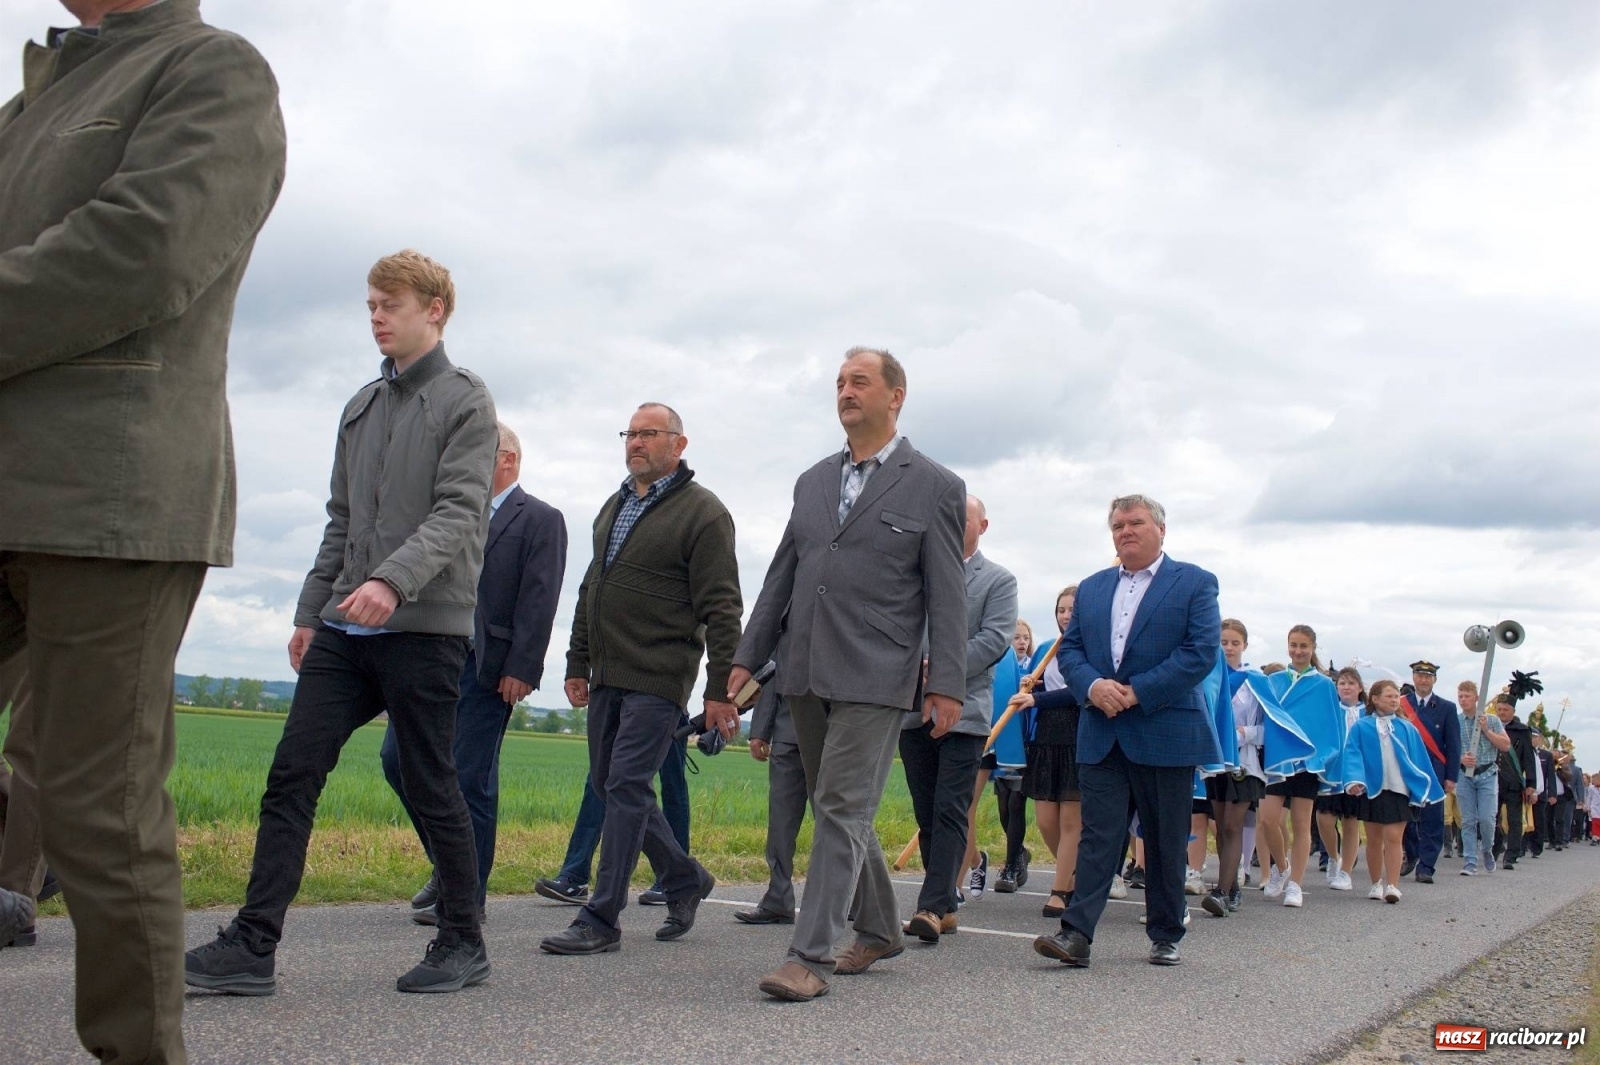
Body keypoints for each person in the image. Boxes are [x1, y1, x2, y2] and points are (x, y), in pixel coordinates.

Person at [1, 0, 285, 1055]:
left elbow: (143, 249)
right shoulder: (29, 103)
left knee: (97, 811)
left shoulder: (212, 71)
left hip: (109, 494)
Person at [185, 251, 497, 997]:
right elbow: (341, 521)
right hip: (345, 631)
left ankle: (463, 940)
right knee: (292, 772)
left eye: (391, 304)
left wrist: (393, 581)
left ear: (436, 310)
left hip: (424, 628)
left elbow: (459, 511)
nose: (378, 317)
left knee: (430, 782)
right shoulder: (360, 407)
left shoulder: (465, 402)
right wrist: (308, 611)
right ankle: (253, 945)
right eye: (370, 306)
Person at [729, 347, 966, 1002]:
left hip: (878, 669)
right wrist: (748, 655)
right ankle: (881, 926)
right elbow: (784, 570)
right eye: (839, 382)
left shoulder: (936, 485)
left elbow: (948, 594)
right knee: (838, 803)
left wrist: (946, 680)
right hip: (804, 664)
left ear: (896, 396)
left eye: (860, 380)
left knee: (838, 803)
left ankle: (808, 957)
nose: (845, 390)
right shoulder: (810, 480)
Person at [536, 403, 741, 955]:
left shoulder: (704, 513)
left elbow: (723, 608)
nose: (635, 443)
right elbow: (591, 587)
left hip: (659, 673)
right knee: (611, 786)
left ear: (679, 444)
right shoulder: (614, 504)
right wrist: (578, 661)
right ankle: (684, 877)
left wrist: (720, 690)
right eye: (630, 433)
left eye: (649, 434)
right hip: (607, 673)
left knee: (626, 785)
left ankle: (601, 918)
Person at [382, 423, 568, 921]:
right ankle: (450, 867)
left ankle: (466, 899)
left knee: (469, 780)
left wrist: (523, 667)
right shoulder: (450, 514)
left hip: (489, 669)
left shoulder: (540, 519)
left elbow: (540, 598)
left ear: (507, 460)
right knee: (397, 760)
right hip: (432, 658)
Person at [1034, 494, 1221, 969]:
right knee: (1100, 835)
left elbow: (1199, 653)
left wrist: (1136, 692)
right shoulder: (1094, 588)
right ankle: (1075, 933)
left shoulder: (1194, 583)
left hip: (1164, 727)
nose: (1125, 531)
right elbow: (1070, 651)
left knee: (1163, 835)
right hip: (1102, 729)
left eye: (1135, 523)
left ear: (1161, 529)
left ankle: (1165, 931)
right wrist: (1093, 686)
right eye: (1117, 525)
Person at [900, 496, 1017, 942]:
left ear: (982, 525)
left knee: (951, 807)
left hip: (965, 713)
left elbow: (994, 640)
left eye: (961, 518)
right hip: (912, 711)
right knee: (926, 811)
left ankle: (930, 906)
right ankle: (945, 904)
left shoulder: (998, 581)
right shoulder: (917, 573)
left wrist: (940, 667)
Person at [535, 741, 692, 906]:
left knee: (672, 781)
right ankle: (575, 875)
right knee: (599, 776)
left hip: (667, 716)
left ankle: (675, 880)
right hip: (624, 715)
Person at [1258, 626, 1343, 909]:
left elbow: (1332, 726)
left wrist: (1323, 758)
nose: (1298, 651)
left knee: (1301, 823)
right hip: (1278, 760)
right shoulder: (1274, 680)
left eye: (1303, 646)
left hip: (1308, 763)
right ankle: (1281, 868)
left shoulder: (1324, 685)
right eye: (1293, 645)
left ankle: (1295, 883)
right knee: (1268, 819)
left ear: (1313, 647)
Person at [1013, 586, 1085, 918]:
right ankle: (1073, 875)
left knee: (1072, 820)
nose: (1066, 616)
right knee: (1045, 819)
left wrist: (1038, 698)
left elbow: (1078, 692)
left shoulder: (1090, 649)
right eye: (1061, 610)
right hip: (1046, 735)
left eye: (1072, 609)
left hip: (1077, 733)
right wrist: (1034, 685)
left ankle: (1059, 891)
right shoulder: (1046, 649)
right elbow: (1045, 688)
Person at [1341, 680, 1444, 903]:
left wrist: (1421, 788)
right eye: (1388, 696)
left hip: (1398, 789)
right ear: (1375, 699)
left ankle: (1393, 885)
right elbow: (1352, 754)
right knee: (1374, 838)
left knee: (1394, 837)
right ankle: (1376, 883)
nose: (1394, 700)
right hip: (1372, 789)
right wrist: (1353, 780)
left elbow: (1419, 759)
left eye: (1396, 696)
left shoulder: (1407, 727)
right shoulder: (1361, 726)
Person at [1199, 618, 1265, 917]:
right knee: (1220, 826)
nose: (1228, 647)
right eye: (1223, 642)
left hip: (1245, 764)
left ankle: (1222, 892)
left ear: (1245, 645)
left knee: (1231, 825)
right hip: (1216, 761)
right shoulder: (1209, 677)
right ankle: (1233, 886)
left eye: (1234, 642)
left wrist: (1243, 733)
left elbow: (1269, 729)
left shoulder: (1256, 681)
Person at [738, 674, 807, 925]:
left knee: (840, 823)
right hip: (788, 731)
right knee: (780, 822)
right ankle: (778, 898)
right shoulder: (787, 631)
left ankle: (855, 899)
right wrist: (760, 731)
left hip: (836, 733)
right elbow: (774, 670)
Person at [1399, 660, 1460, 882]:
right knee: (1405, 818)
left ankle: (1426, 866)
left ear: (1434, 679)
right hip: (1405, 768)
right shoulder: (1400, 704)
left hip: (1434, 770)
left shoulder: (1447, 708)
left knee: (1432, 820)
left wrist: (1451, 776)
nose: (1423, 680)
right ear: (1413, 678)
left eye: (1428, 676)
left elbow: (1453, 744)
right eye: (1419, 675)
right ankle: (1412, 854)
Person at [1314, 667, 1366, 892]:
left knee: (1351, 821)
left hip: (1356, 773)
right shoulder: (1330, 709)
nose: (1346, 687)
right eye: (1342, 683)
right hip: (1331, 770)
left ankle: (1346, 871)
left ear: (1360, 688)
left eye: (1351, 683)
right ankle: (1333, 857)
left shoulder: (1368, 714)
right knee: (1324, 817)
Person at [1455, 680, 1509, 875]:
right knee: (1468, 819)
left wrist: (1486, 730)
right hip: (1464, 775)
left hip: (1487, 773)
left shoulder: (1492, 720)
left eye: (1466, 696)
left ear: (1476, 698)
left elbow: (1505, 745)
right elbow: (1449, 749)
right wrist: (1461, 758)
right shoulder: (1456, 721)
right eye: (1460, 696)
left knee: (1487, 818)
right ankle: (1470, 860)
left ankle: (1487, 849)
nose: (1463, 700)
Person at [1492, 693, 1537, 869]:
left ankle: (1511, 855)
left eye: (1506, 709)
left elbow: (1528, 758)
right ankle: (1494, 849)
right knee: (1490, 818)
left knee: (1514, 820)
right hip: (1493, 780)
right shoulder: (1491, 726)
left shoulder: (1521, 730)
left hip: (1513, 782)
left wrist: (1531, 784)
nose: (1502, 712)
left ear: (1513, 711)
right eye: (1500, 709)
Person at [1529, 732, 1556, 857]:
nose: (1532, 739)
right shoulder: (1524, 752)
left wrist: (1552, 794)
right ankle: (1522, 846)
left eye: (1534, 737)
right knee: (1524, 819)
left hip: (1541, 793)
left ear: (1539, 738)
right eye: (1530, 737)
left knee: (1539, 821)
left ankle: (1537, 848)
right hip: (1526, 791)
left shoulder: (1546, 755)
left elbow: (1550, 776)